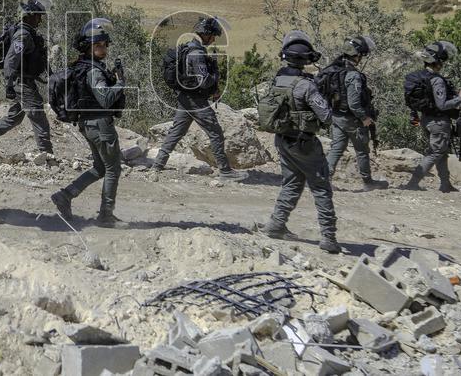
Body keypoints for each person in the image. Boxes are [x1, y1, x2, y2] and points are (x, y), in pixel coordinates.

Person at [259, 31, 339, 254]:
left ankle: (276, 225)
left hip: (283, 140)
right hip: (305, 143)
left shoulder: (278, 79)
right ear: (305, 59)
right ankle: (329, 237)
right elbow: (326, 117)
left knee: (292, 182)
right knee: (321, 187)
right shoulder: (306, 85)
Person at [50, 18, 128, 227]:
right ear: (88, 47)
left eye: (104, 44)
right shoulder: (94, 71)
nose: (103, 49)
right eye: (98, 45)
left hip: (89, 124)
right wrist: (121, 83)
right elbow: (105, 99)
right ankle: (106, 216)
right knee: (113, 169)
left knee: (100, 168)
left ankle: (65, 195)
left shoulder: (83, 66)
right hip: (100, 124)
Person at [153, 16, 247, 181]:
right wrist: (215, 75)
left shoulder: (189, 48)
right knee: (215, 132)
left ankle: (157, 164)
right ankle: (225, 171)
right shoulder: (197, 53)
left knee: (176, 132)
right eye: (213, 36)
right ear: (206, 34)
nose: (214, 40)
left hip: (185, 97)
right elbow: (203, 81)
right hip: (195, 100)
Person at [0, 0, 54, 156]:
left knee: (15, 117)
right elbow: (10, 61)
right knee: (38, 116)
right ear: (29, 16)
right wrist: (9, 85)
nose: (40, 20)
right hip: (21, 83)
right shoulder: (23, 35)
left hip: (24, 81)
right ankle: (47, 155)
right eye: (38, 16)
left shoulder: (29, 34)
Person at [324, 36, 389, 190]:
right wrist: (364, 118)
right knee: (362, 150)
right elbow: (353, 103)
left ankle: (324, 179)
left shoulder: (336, 69)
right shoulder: (353, 75)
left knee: (337, 148)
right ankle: (368, 182)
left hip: (337, 116)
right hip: (352, 119)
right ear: (357, 55)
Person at [403, 41, 461, 193]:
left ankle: (446, 185)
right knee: (435, 153)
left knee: (441, 153)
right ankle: (412, 183)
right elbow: (442, 105)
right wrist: (460, 98)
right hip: (438, 122)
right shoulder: (436, 80)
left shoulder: (422, 77)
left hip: (427, 120)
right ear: (438, 62)